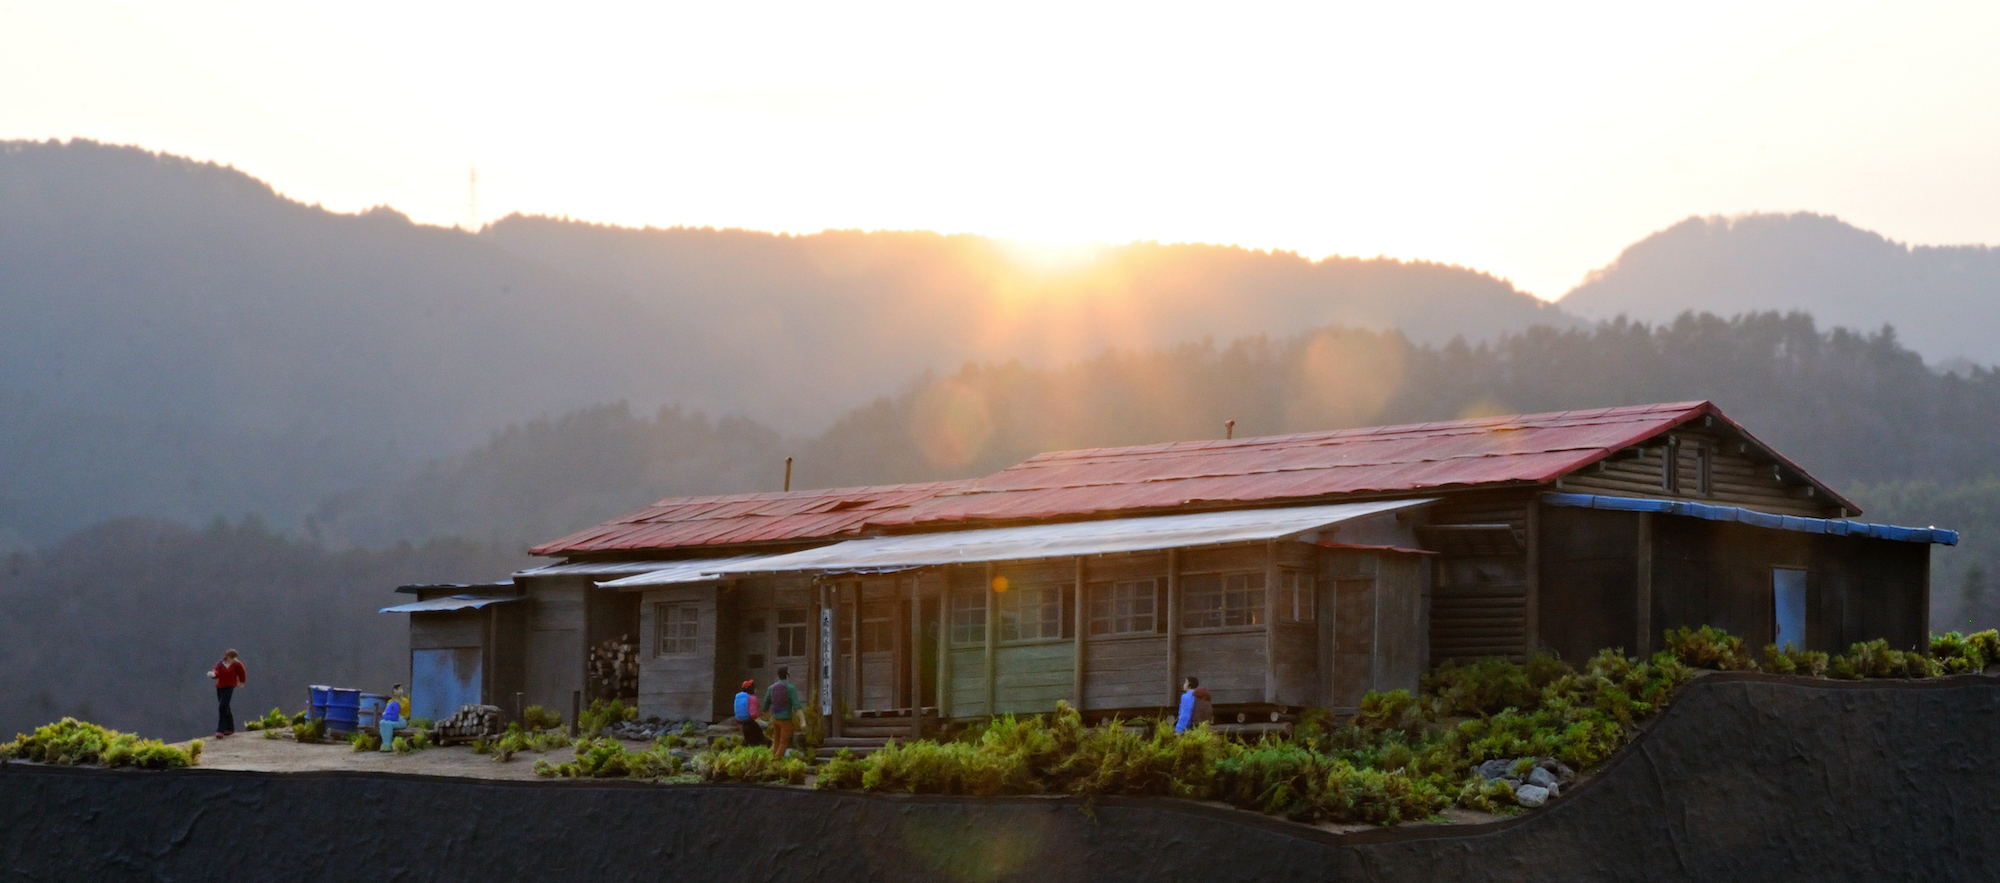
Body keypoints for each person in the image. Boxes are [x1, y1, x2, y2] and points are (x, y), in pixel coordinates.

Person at [205, 650, 247, 738]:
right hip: (220, 687)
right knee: (226, 707)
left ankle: (220, 730)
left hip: (229, 687)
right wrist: (213, 674)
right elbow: (217, 673)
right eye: (232, 658)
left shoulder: (237, 664)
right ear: (227, 657)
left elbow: (242, 673)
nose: (234, 660)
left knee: (222, 707)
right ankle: (230, 727)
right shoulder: (220, 664)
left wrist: (242, 681)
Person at [763, 666, 801, 755]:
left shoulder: (771, 688)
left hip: (775, 718)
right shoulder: (790, 687)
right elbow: (796, 705)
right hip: (786, 718)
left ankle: (772, 758)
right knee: (783, 742)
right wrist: (802, 720)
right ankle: (776, 761)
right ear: (787, 675)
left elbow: (765, 704)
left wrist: (769, 716)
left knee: (776, 740)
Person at [734, 679, 766, 747]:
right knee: (759, 740)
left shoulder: (738, 696)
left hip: (742, 723)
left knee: (748, 741)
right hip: (751, 723)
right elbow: (753, 714)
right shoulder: (752, 698)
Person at [379, 686, 407, 752]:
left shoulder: (405, 702)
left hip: (401, 720)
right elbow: (388, 712)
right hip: (391, 719)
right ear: (394, 691)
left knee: (388, 724)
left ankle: (387, 744)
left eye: (401, 689)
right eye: (398, 689)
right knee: (383, 722)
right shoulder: (390, 702)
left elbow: (407, 714)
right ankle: (385, 743)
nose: (401, 691)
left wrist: (401, 716)